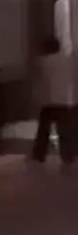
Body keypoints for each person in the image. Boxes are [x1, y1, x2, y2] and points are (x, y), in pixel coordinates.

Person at [35, 34, 78, 166]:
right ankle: (68, 156)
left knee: (43, 130)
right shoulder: (67, 61)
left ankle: (39, 155)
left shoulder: (43, 61)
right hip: (64, 101)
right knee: (64, 131)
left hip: (48, 101)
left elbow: (40, 81)